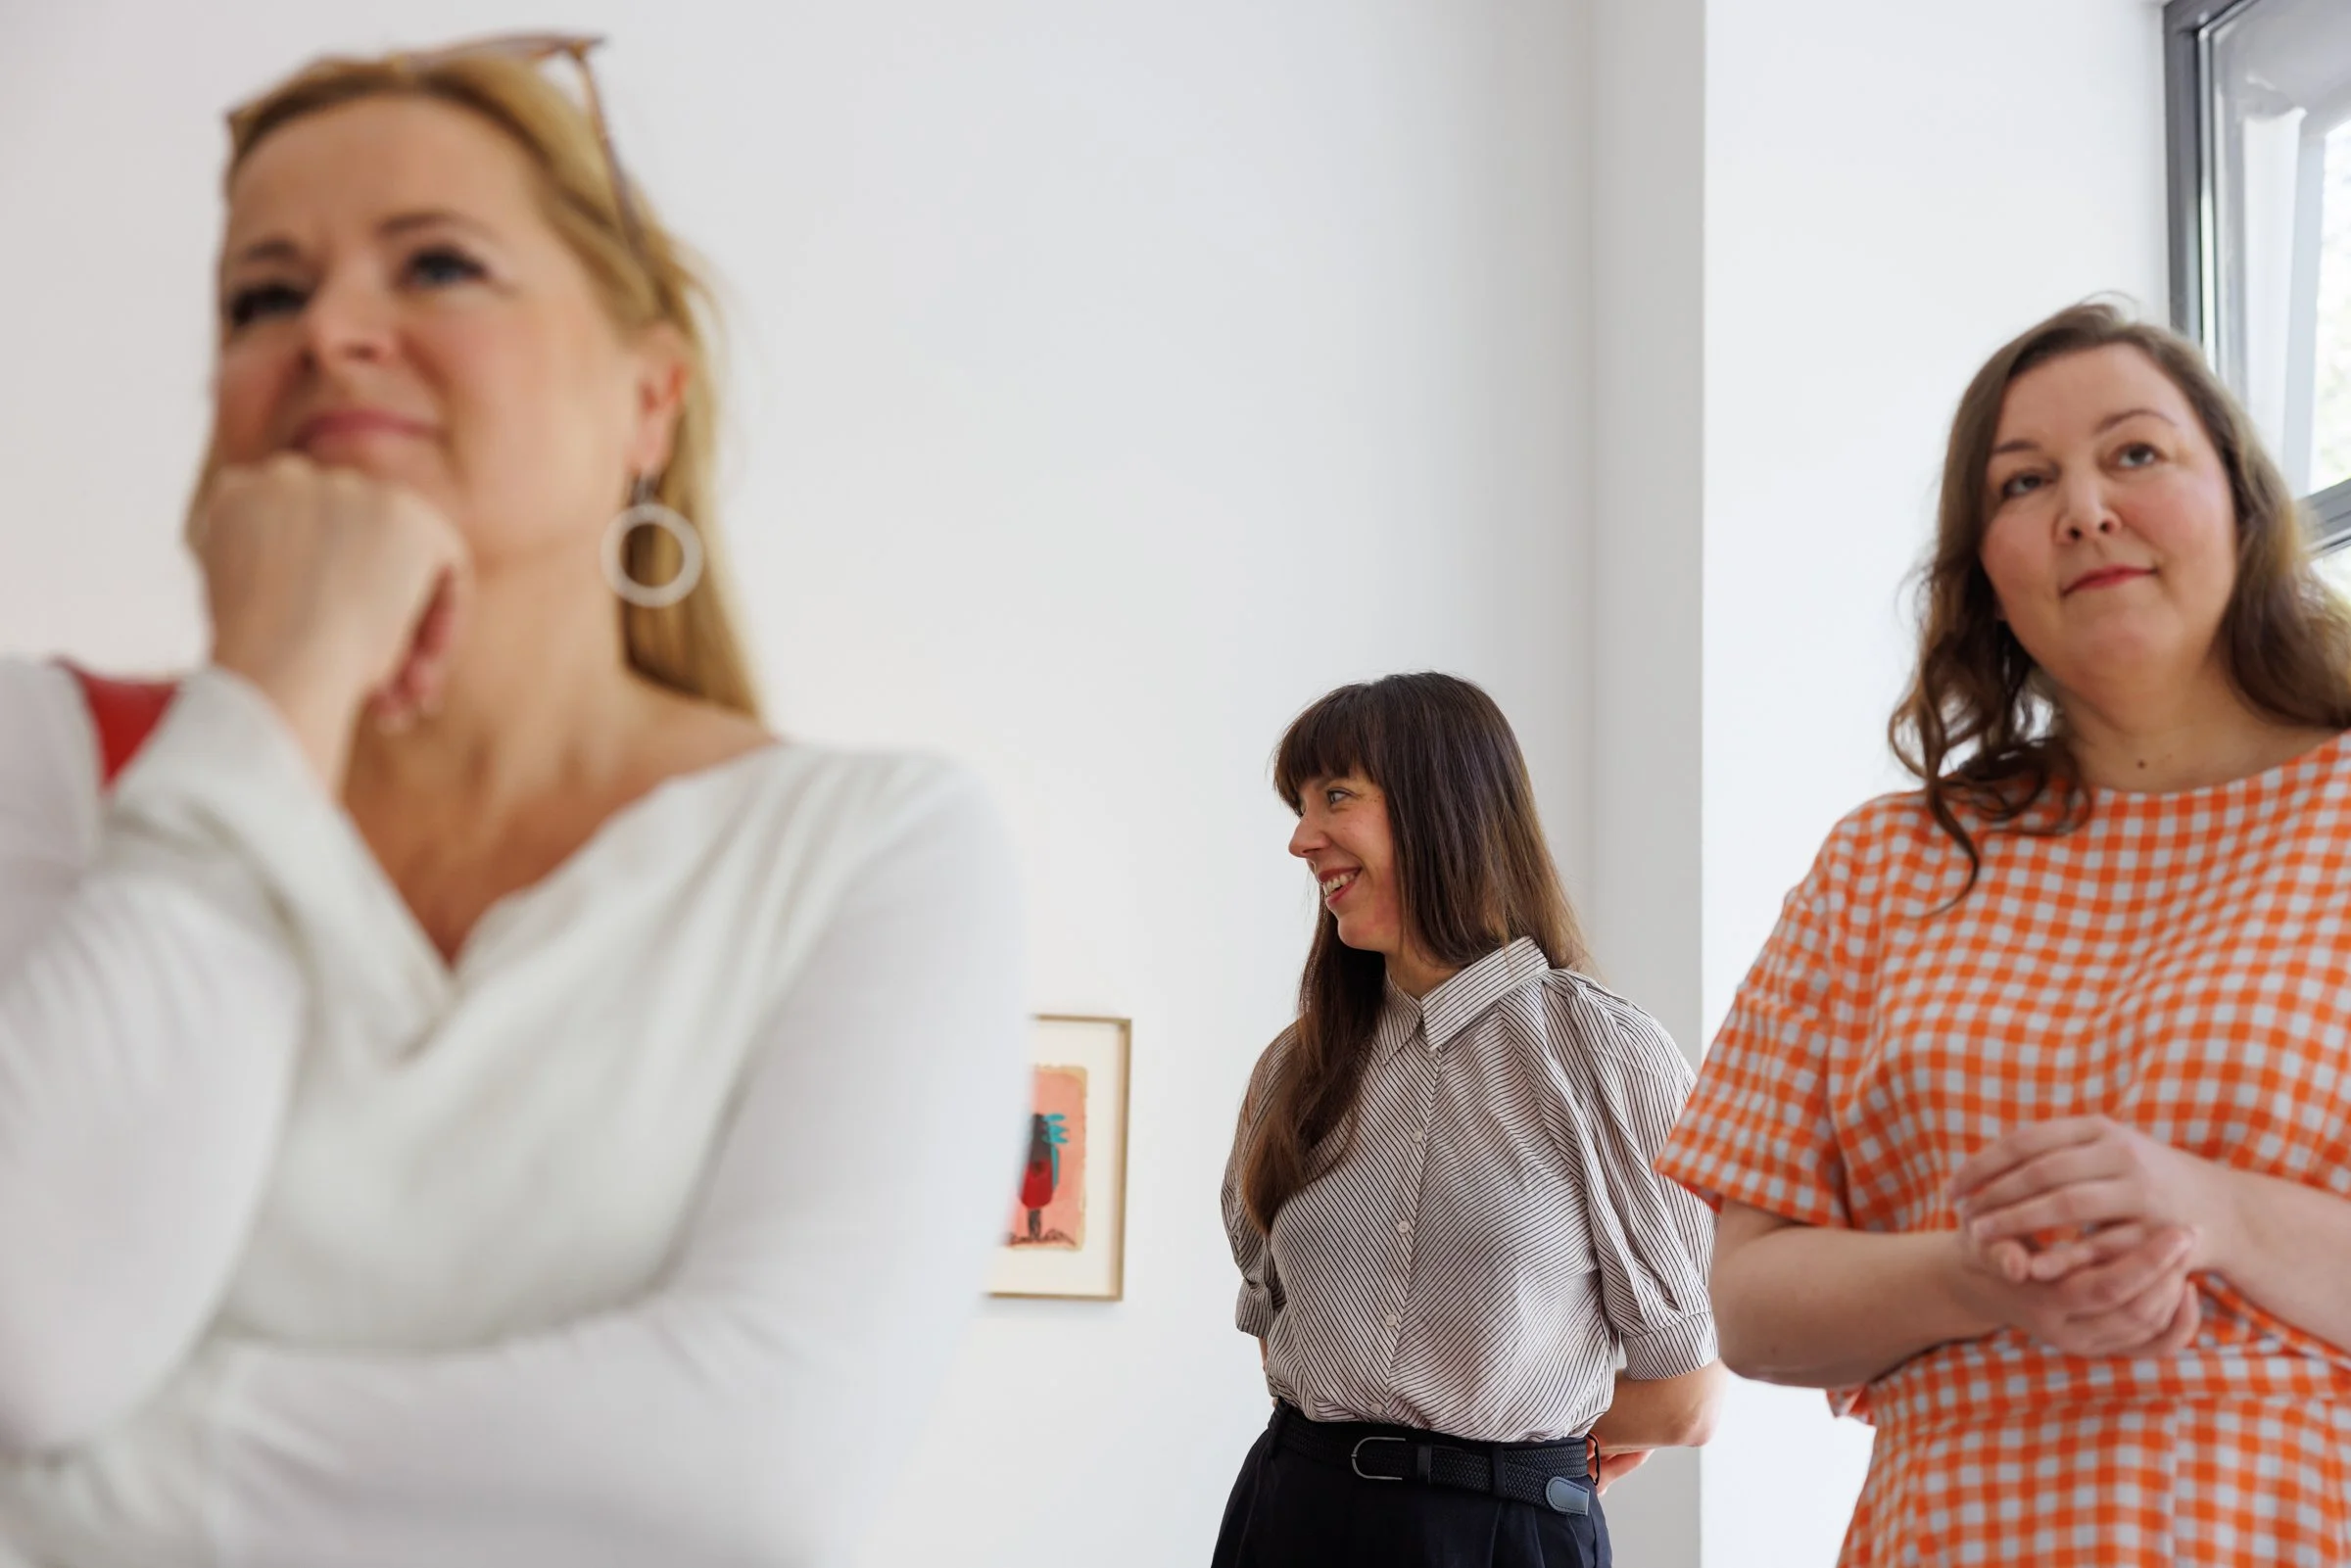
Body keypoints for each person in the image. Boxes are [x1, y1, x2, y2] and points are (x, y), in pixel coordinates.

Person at [0, 35, 1025, 1567]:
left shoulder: (879, 848)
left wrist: (61, 1491)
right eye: (262, 296)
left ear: (648, 400)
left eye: (438, 267)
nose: (332, 331)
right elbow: (39, 1327)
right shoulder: (53, 754)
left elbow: (750, 1471)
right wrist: (270, 698)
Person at [1658, 302, 2351, 1566]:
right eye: (2025, 482)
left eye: (2135, 454)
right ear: (1986, 572)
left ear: (2246, 507)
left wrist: (2220, 1213)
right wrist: (1975, 1279)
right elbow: (1748, 1303)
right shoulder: (1882, 865)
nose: (2084, 507)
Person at [1216, 673, 1725, 1568]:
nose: (1302, 838)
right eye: (1300, 806)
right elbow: (1278, 1330)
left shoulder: (1603, 1057)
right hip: (1292, 1518)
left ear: (1438, 805)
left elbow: (1686, 1394)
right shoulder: (1293, 1070)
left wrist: (1512, 1450)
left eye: (1337, 796)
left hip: (1504, 1537)